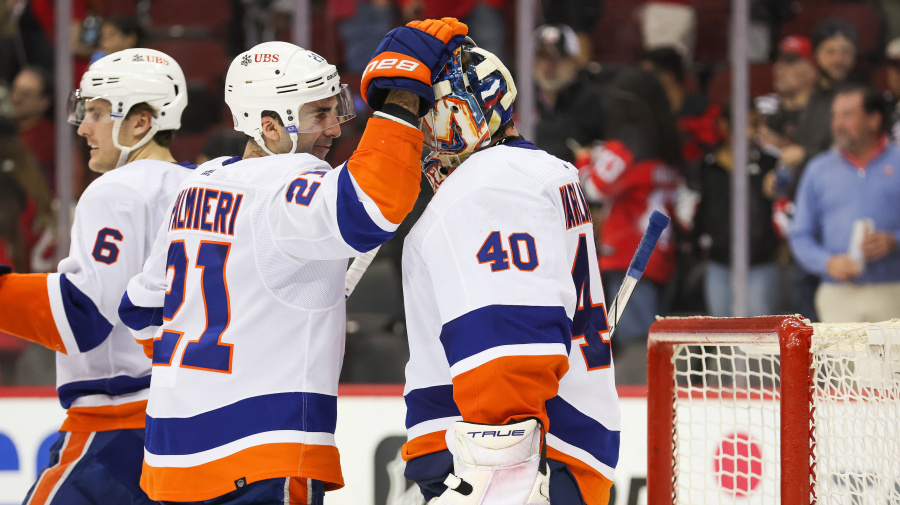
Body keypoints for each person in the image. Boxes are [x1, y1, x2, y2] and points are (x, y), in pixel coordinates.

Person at [118, 18, 467, 504]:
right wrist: (404, 98)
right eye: (318, 113)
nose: (333, 128)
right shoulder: (288, 180)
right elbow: (373, 203)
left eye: (335, 109)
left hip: (170, 459)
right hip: (258, 452)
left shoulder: (199, 183)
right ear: (269, 125)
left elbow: (138, 310)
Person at [402, 41, 618, 505]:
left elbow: (509, 345)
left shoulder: (491, 183)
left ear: (459, 113)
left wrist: (498, 477)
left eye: (425, 116)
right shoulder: (531, 171)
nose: (418, 134)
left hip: (517, 467)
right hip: (539, 455)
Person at [0, 48, 192, 504]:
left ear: (141, 122)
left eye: (98, 113)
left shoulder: (119, 189)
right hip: (186, 429)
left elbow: (82, 314)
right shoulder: (206, 187)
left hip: (117, 433)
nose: (83, 127)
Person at [576, 67, 681, 385]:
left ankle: (642, 402)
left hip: (629, 256)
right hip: (660, 256)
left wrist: (583, 161)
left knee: (636, 341)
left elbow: (593, 188)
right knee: (647, 334)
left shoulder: (627, 144)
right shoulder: (665, 144)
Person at [789, 84, 900, 322]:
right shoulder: (818, 169)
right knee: (839, 361)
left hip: (894, 289)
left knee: (893, 361)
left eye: (847, 115)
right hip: (837, 294)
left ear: (873, 119)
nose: (837, 123)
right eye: (835, 115)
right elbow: (800, 235)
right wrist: (827, 263)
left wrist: (895, 241)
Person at [9, 66, 55, 185]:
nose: (16, 98)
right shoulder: (7, 131)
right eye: (15, 90)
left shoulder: (50, 139)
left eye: (26, 94)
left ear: (44, 102)